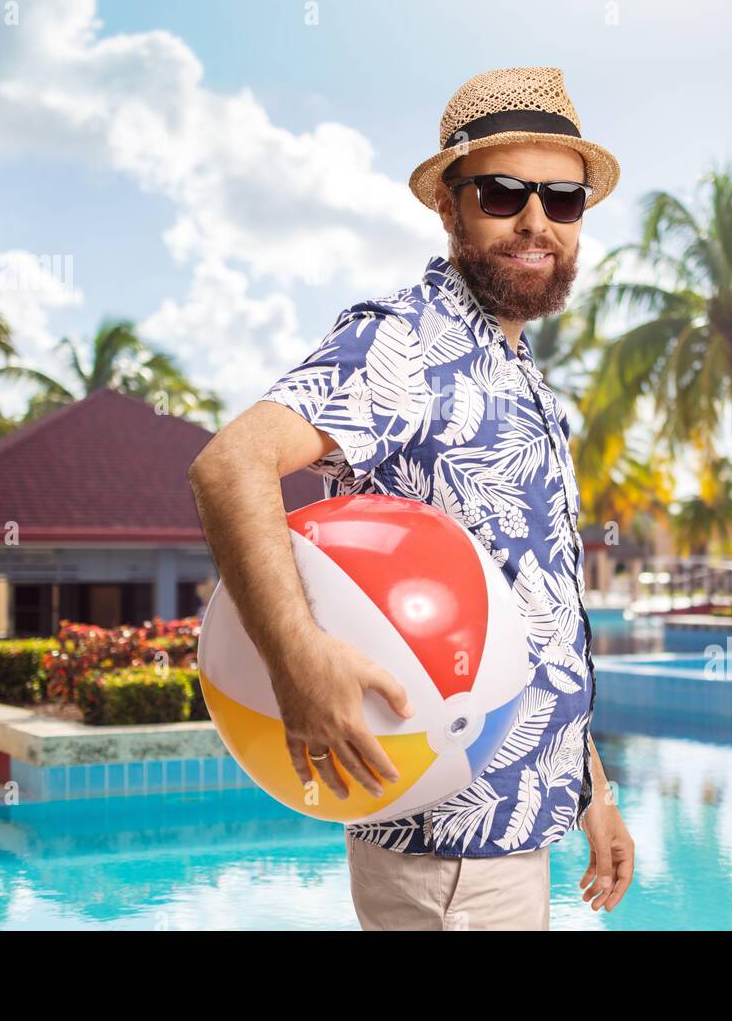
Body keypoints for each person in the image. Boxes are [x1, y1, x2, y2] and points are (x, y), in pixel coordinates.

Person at [189, 66, 634, 930]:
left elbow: (533, 617)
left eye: (563, 199)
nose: (537, 220)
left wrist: (592, 792)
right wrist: (298, 657)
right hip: (447, 857)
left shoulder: (522, 378)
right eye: (504, 192)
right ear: (450, 205)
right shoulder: (404, 342)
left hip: (513, 839)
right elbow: (229, 464)